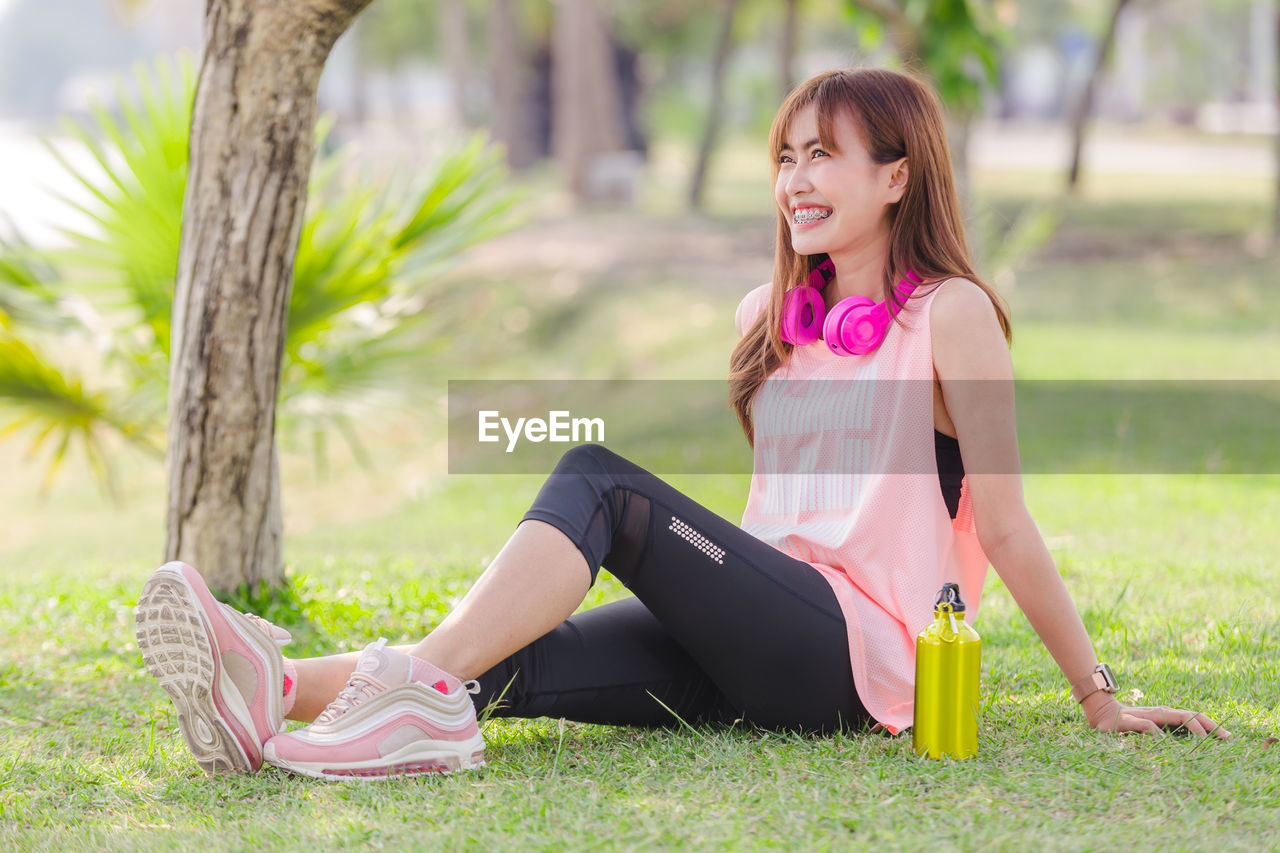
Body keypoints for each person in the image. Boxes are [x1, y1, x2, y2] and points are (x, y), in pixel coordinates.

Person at [135, 67, 1228, 782]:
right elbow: (782, 526)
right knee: (514, 657)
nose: (795, 180)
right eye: (784, 156)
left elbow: (1007, 526)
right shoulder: (766, 319)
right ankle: (269, 693)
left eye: (824, 155)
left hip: (858, 659)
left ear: (895, 177)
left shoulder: (953, 317)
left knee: (598, 481)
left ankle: (404, 701)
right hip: (762, 628)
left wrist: (1097, 699)